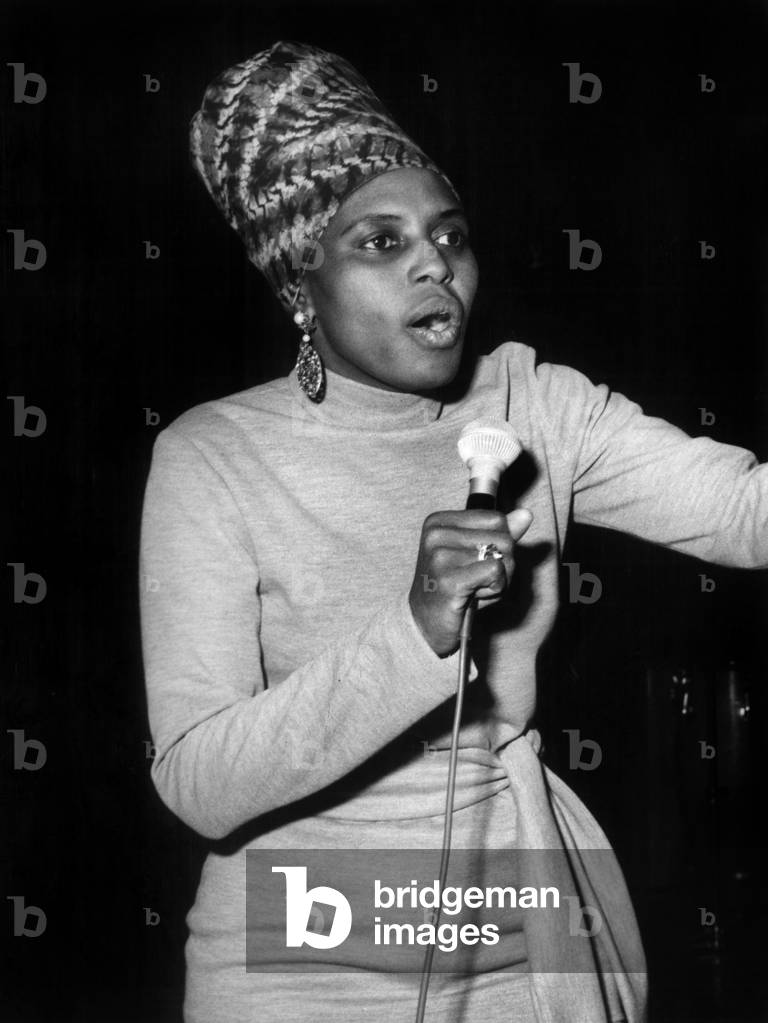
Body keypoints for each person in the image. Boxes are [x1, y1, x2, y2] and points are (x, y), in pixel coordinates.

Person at [138, 40, 768, 1023]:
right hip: (303, 946)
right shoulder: (213, 454)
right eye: (381, 242)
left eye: (450, 234)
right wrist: (415, 632)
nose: (435, 261)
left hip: (516, 921)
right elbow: (197, 782)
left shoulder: (534, 402)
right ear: (302, 280)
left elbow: (746, 513)